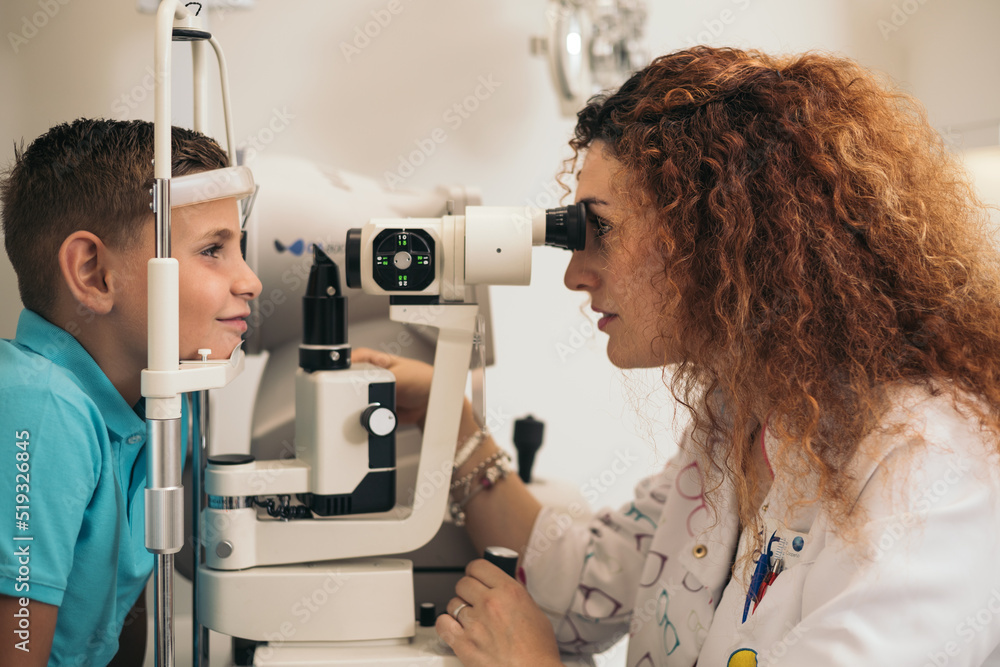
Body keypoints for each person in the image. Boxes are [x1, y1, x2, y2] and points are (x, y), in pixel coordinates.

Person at [354, 46, 1000, 666]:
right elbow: (584, 585)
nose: (575, 275)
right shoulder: (746, 417)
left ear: (723, 235)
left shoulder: (927, 462)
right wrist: (454, 424)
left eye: (601, 229)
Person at [0, 119, 262, 666]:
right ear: (94, 274)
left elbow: (118, 613)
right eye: (213, 249)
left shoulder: (163, 400)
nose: (250, 281)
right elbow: (18, 644)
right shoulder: (39, 408)